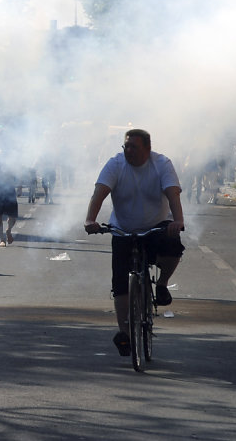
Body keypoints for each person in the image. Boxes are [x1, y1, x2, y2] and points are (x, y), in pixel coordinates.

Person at [84, 128, 185, 357]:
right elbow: (99, 194)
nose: (129, 151)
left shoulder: (161, 164)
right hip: (123, 229)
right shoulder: (116, 164)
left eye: (134, 147)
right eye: (126, 146)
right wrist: (90, 219)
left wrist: (177, 221)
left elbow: (173, 195)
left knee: (173, 246)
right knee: (119, 280)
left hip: (156, 226)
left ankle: (161, 284)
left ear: (147, 149)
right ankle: (125, 334)